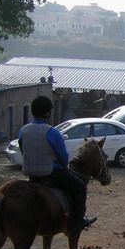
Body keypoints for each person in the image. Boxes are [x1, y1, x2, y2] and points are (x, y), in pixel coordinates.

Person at [18, 96, 96, 230]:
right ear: (48, 113)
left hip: (31, 175)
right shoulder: (52, 132)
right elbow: (63, 156)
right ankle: (78, 221)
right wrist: (64, 167)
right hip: (51, 173)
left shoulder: (23, 130)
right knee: (80, 187)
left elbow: (22, 148)